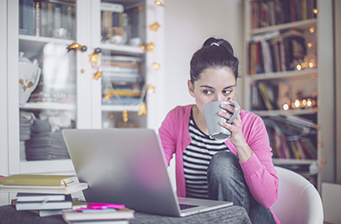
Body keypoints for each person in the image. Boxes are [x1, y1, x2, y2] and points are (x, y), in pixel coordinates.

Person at [158, 37, 279, 223]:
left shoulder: (252, 124)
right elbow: (154, 168)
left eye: (227, 91)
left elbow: (268, 198)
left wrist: (238, 140)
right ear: (191, 88)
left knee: (222, 162)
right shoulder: (176, 119)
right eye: (207, 91)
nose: (218, 101)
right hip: (200, 219)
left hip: (252, 218)